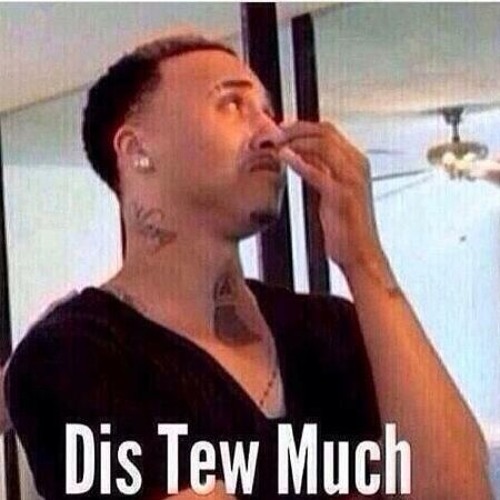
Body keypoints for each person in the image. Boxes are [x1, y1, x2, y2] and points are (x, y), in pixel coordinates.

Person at [4, 34, 492, 499]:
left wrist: (365, 261)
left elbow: (460, 492)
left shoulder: (331, 328)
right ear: (138, 152)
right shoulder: (74, 354)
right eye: (232, 104)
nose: (272, 133)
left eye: (268, 112)